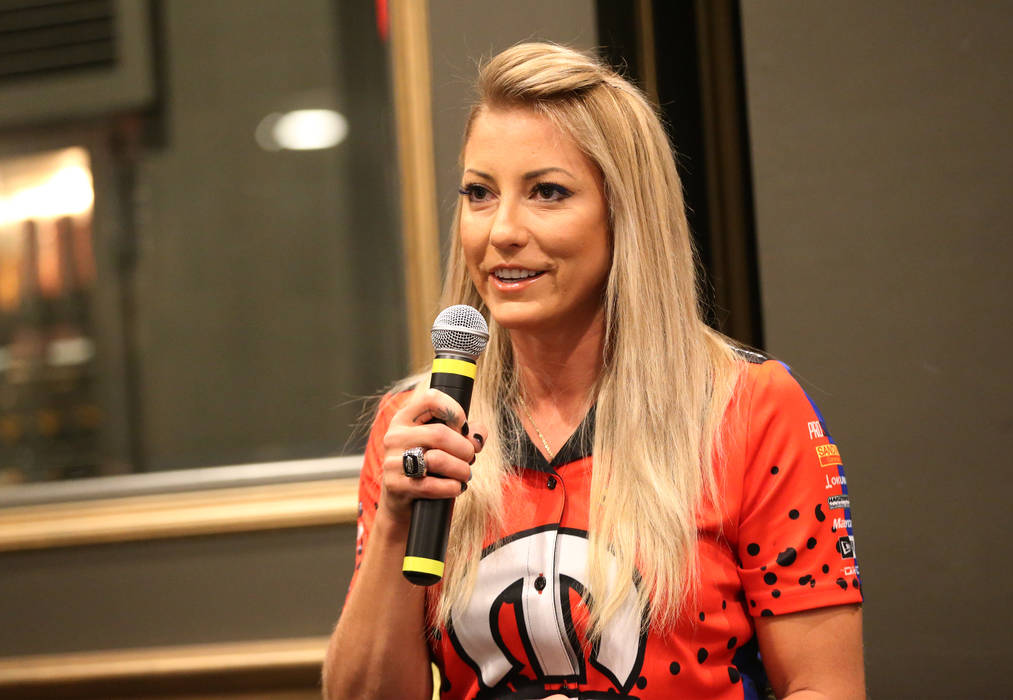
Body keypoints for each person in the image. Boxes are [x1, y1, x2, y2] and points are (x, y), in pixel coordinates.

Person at [323, 42, 864, 700]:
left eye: (547, 193)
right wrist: (394, 528)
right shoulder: (420, 424)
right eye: (479, 194)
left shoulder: (748, 408)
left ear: (624, 215)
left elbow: (823, 686)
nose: (503, 231)